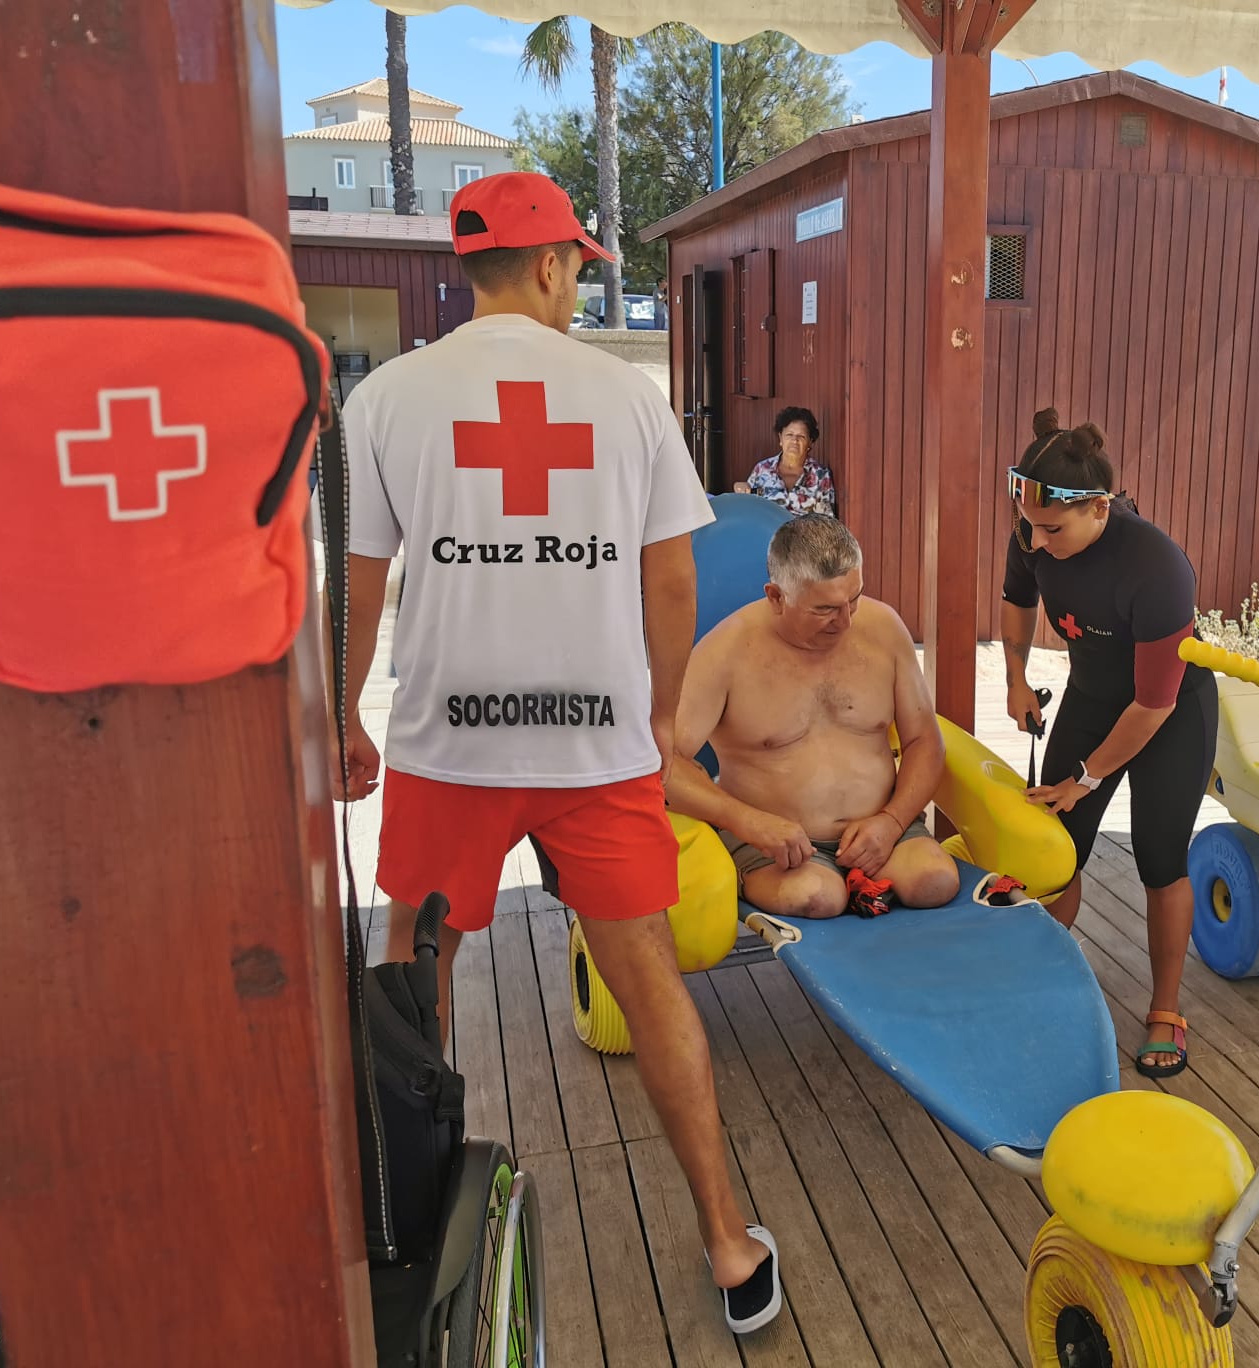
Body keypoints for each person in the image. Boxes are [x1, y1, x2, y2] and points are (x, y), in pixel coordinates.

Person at [327, 170, 780, 1335]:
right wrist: (663, 716)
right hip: (594, 745)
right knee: (649, 980)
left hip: (447, 743)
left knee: (414, 975)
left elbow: (359, 586)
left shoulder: (386, 400)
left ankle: (404, 1231)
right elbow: (671, 574)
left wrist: (341, 718)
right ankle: (731, 1245)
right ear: (545, 266)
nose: (579, 285)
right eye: (578, 266)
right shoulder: (621, 395)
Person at [1001, 408, 1218, 1079]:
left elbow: (1153, 705)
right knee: (1059, 845)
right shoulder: (1034, 530)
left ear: (1099, 508)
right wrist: (1016, 678)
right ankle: (1036, 981)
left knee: (1160, 858)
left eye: (1052, 530)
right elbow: (1017, 601)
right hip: (1094, 697)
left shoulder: (1155, 565)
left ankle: (1164, 1007)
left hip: (1170, 714)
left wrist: (1086, 778)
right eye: (1028, 528)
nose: (1035, 544)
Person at [667, 515, 961, 918]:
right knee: (818, 897)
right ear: (776, 597)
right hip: (770, 842)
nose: (845, 621)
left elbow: (924, 740)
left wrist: (892, 821)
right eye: (824, 609)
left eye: (853, 599)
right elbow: (663, 765)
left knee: (936, 882)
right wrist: (748, 822)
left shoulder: (883, 628)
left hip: (881, 830)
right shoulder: (725, 652)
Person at [737, 407, 836, 517]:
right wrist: (741, 488)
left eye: (801, 436)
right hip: (766, 533)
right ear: (780, 438)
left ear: (810, 442)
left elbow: (826, 523)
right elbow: (748, 505)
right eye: (789, 435)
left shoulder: (820, 475)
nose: (794, 440)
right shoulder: (762, 469)